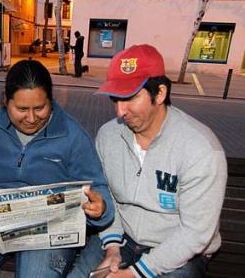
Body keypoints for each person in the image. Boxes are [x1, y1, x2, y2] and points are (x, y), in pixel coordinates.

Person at [0, 59, 114, 277]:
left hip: (47, 231)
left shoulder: (72, 136)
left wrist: (101, 208)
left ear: (51, 101)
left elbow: (98, 188)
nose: (32, 118)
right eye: (21, 109)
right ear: (6, 101)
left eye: (40, 108)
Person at [70, 44, 227, 277]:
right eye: (116, 99)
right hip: (122, 239)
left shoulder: (201, 148)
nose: (120, 112)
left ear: (160, 93)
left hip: (179, 251)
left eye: (130, 98)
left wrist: (135, 272)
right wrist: (112, 248)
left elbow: (195, 233)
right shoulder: (108, 135)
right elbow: (107, 197)